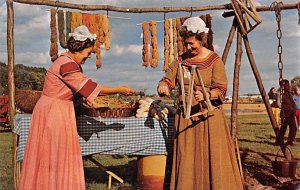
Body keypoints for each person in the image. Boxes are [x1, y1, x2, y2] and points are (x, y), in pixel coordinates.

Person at [19, 25, 135, 189]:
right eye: (87, 54)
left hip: (56, 109)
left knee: (54, 155)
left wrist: (86, 101)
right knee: (53, 155)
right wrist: (119, 89)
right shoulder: (67, 65)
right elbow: (87, 87)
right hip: (54, 112)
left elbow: (74, 90)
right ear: (78, 49)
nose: (87, 58)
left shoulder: (66, 61)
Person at [157, 17, 243, 190]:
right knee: (188, 157)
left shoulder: (214, 61)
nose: (188, 48)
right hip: (187, 119)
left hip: (209, 118)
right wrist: (163, 85)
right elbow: (168, 79)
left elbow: (221, 90)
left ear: (201, 39)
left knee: (212, 157)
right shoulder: (181, 61)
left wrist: (207, 94)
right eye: (185, 43)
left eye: (191, 44)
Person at [276, 79, 297, 146]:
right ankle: (278, 141)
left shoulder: (289, 93)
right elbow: (279, 103)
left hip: (291, 113)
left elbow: (292, 102)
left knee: (293, 128)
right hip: (285, 113)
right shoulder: (280, 93)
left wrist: (294, 109)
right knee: (283, 128)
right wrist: (283, 108)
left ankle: (290, 141)